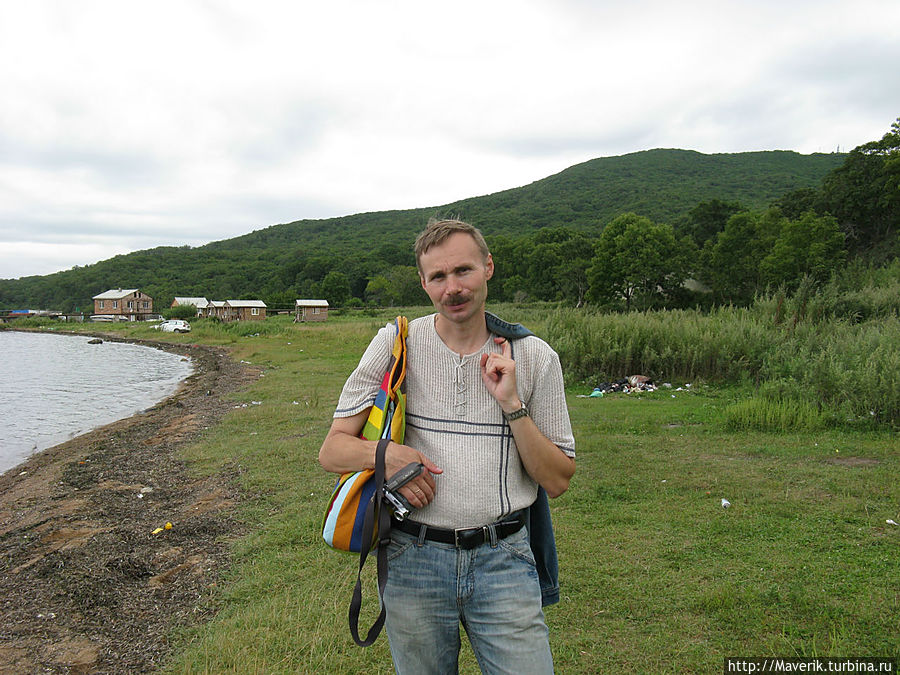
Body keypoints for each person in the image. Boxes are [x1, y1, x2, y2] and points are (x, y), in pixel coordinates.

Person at [319, 218, 576, 674]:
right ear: (423, 282)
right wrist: (393, 456)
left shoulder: (535, 357)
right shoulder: (397, 343)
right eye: (438, 276)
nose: (452, 288)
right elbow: (333, 451)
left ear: (488, 267)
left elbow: (556, 480)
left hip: (505, 559)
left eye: (463, 271)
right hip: (411, 559)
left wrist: (512, 405)